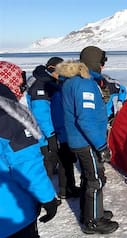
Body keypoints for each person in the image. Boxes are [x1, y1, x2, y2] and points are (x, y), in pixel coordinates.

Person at [57, 46, 118, 234]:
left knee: (88, 177)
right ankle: (93, 221)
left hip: (80, 139)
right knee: (96, 179)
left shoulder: (74, 81)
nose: (103, 66)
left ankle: (90, 211)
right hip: (87, 141)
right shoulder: (84, 84)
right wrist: (101, 146)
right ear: (95, 62)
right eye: (102, 62)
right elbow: (86, 119)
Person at [0, 61, 58, 237]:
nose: (22, 87)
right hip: (12, 214)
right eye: (19, 82)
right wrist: (48, 199)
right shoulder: (10, 115)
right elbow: (27, 166)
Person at [26, 57, 80, 201]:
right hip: (45, 134)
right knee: (47, 164)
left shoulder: (49, 82)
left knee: (65, 159)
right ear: (51, 69)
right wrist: (50, 135)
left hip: (57, 130)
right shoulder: (41, 85)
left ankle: (67, 189)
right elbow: (40, 113)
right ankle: (47, 197)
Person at [80, 46, 127, 124]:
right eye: (102, 64)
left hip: (107, 120)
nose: (103, 67)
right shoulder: (79, 84)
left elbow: (122, 89)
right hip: (90, 124)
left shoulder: (107, 82)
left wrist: (120, 101)